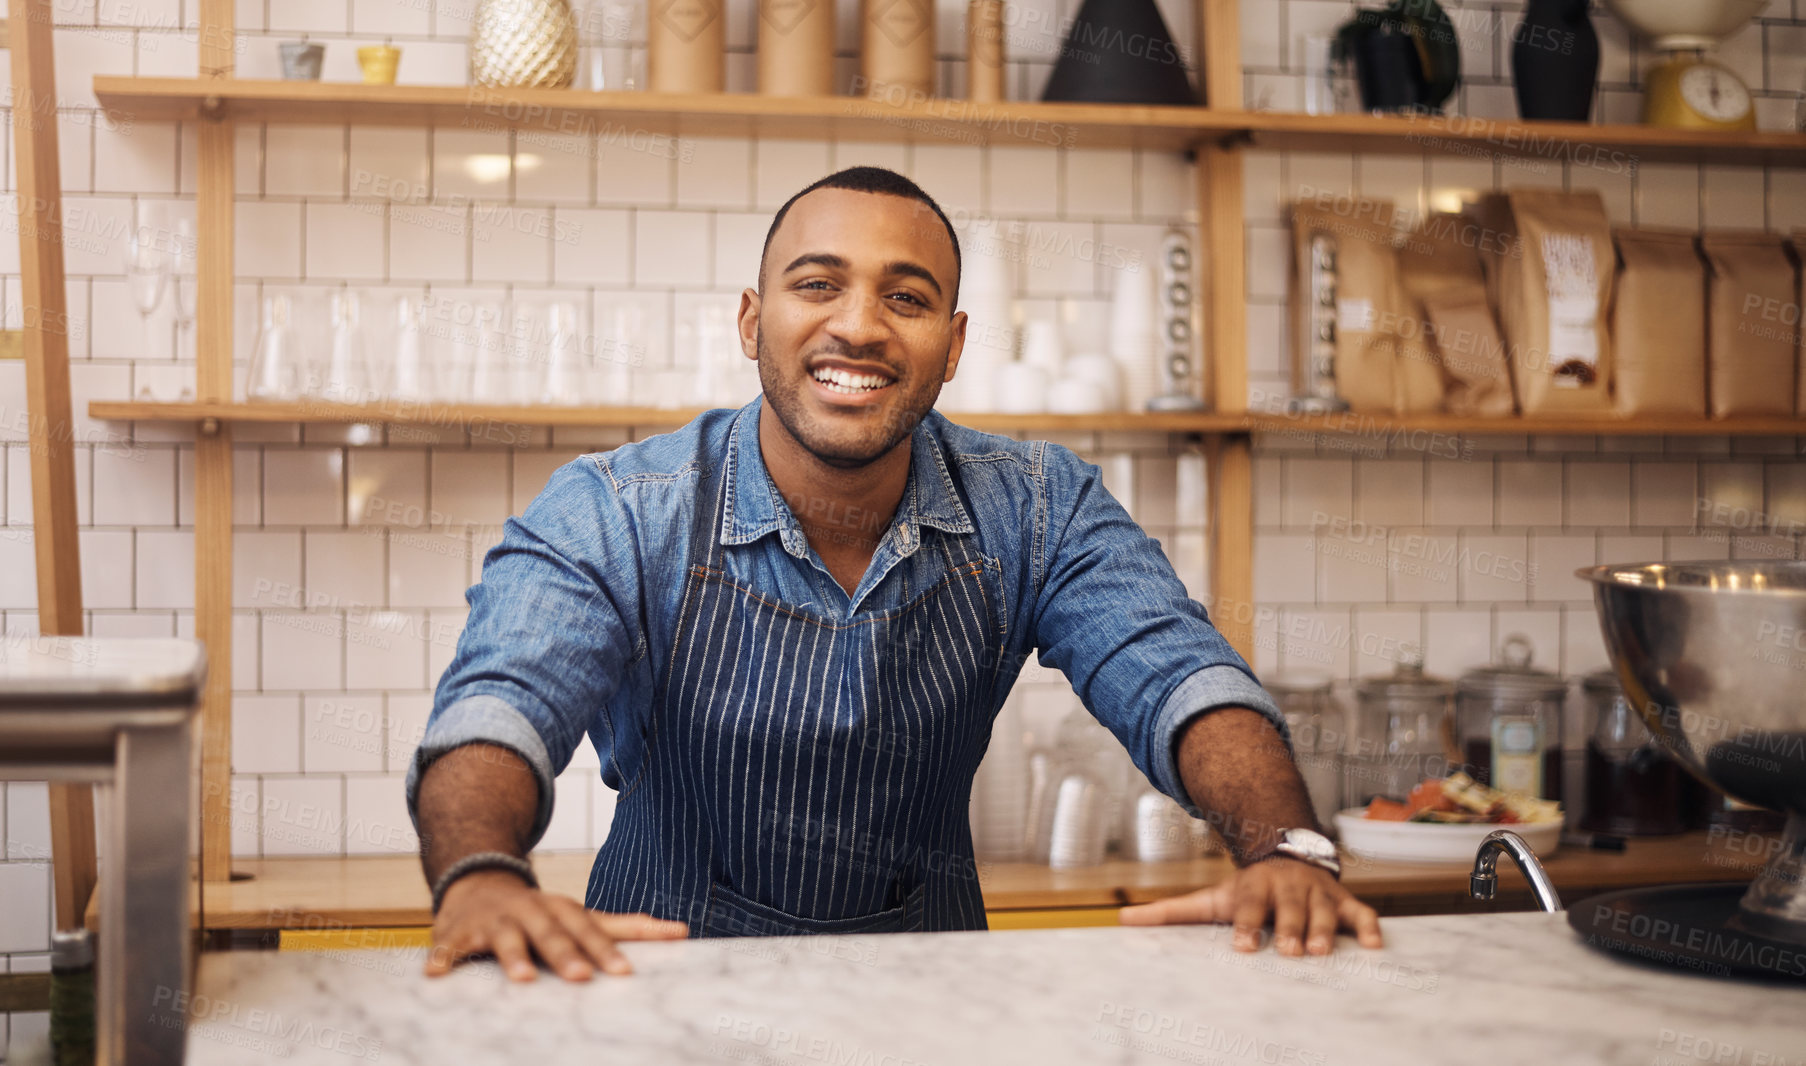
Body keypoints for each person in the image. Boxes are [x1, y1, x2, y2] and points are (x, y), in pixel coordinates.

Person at [408, 167, 1382, 983]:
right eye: (817, 284)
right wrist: (483, 873)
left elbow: (1178, 671)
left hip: (933, 1004)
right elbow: (502, 700)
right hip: (654, 991)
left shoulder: (1036, 504)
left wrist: (1287, 846)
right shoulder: (620, 507)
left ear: (952, 347)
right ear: (752, 321)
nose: (861, 326)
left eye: (906, 297)